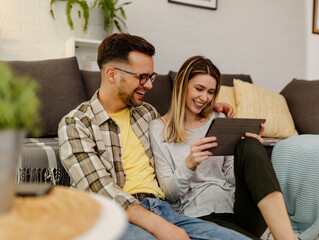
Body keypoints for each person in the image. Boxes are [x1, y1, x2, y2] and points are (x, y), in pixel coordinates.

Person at [58, 33, 250, 240]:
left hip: (163, 209)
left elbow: (177, 127)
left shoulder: (146, 113)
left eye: (150, 77)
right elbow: (100, 189)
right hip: (113, 214)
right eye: (141, 77)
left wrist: (211, 109)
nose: (149, 85)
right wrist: (160, 227)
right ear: (112, 75)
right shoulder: (77, 124)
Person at [149, 56, 296, 240]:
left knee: (250, 144)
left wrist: (248, 159)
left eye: (211, 92)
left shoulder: (218, 118)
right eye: (199, 89)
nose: (205, 98)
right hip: (201, 216)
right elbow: (169, 195)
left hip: (240, 209)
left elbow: (229, 175)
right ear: (181, 84)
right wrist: (189, 164)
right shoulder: (158, 129)